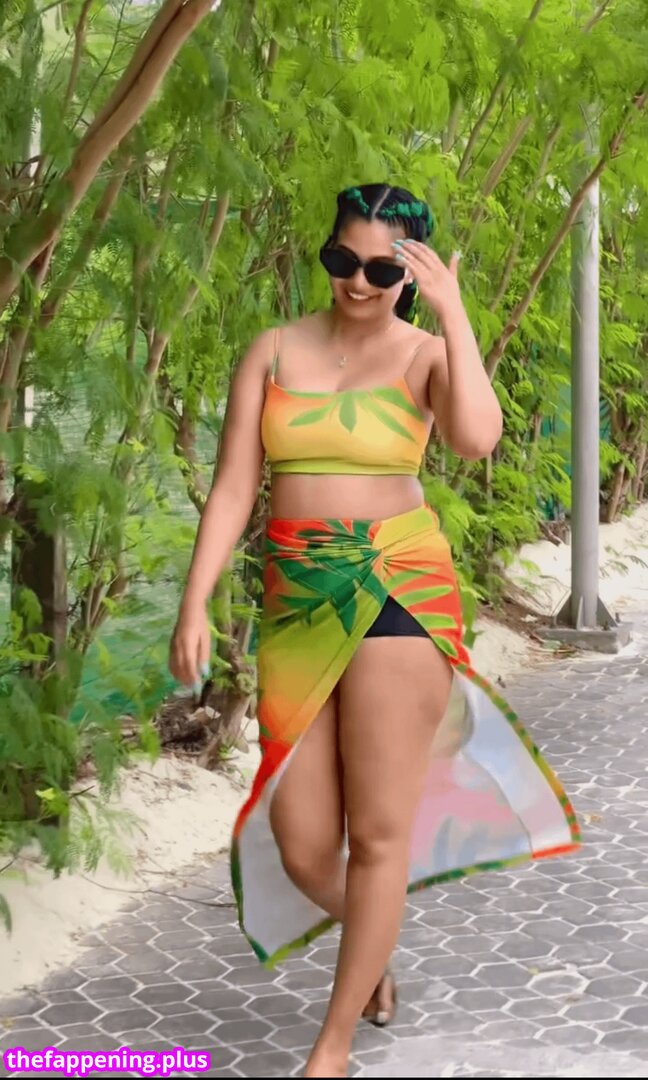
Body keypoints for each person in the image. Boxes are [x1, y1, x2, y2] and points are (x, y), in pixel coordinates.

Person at [169, 183, 580, 1078]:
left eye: (382, 270)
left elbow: (475, 437)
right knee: (304, 841)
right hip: (298, 597)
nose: (358, 282)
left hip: (400, 586)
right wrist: (195, 600)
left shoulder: (427, 354)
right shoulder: (273, 349)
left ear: (411, 275)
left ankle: (333, 1045)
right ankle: (373, 949)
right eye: (342, 260)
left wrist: (455, 314)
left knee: (380, 835)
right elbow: (235, 486)